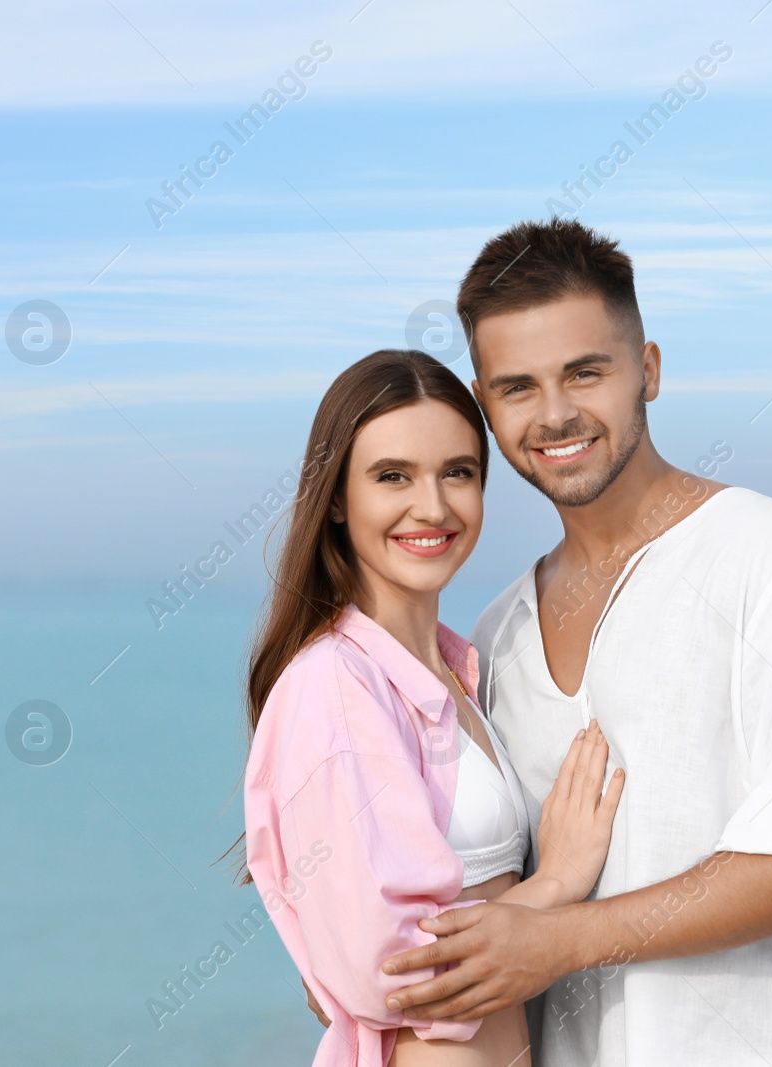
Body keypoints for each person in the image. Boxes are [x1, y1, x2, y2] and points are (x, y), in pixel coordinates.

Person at [372, 219, 772, 1065]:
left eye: (586, 371)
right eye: (517, 387)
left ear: (647, 369)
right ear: (486, 406)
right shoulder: (496, 637)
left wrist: (566, 940)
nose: (556, 414)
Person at [242, 349, 626, 1066]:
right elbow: (389, 971)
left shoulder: (458, 672)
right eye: (393, 476)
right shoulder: (332, 684)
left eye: (459, 472)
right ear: (335, 498)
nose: (434, 506)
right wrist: (558, 885)